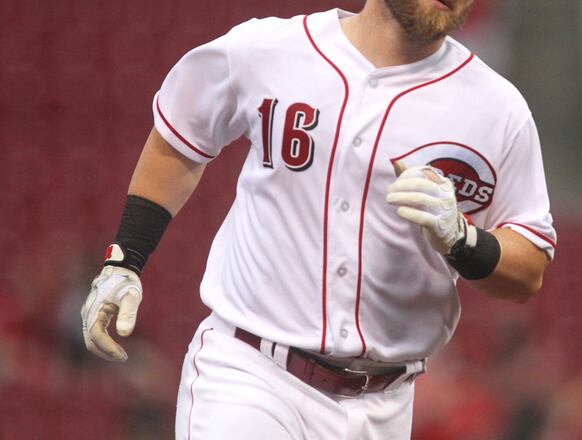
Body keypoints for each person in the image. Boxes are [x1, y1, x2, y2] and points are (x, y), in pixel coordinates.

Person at [80, 0, 556, 438]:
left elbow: (528, 268)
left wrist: (465, 240)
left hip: (385, 404)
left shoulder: (498, 110)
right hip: (250, 373)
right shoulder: (269, 49)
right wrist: (125, 259)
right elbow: (180, 132)